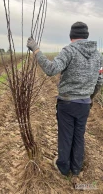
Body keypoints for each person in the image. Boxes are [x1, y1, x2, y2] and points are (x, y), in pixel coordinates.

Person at [27, 22, 103, 177]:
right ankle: (76, 168)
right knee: (79, 136)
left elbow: (50, 69)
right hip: (84, 103)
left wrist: (36, 49)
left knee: (66, 136)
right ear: (86, 36)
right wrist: (90, 98)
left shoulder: (69, 51)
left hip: (67, 103)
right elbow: (99, 81)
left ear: (71, 36)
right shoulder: (98, 55)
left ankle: (63, 168)